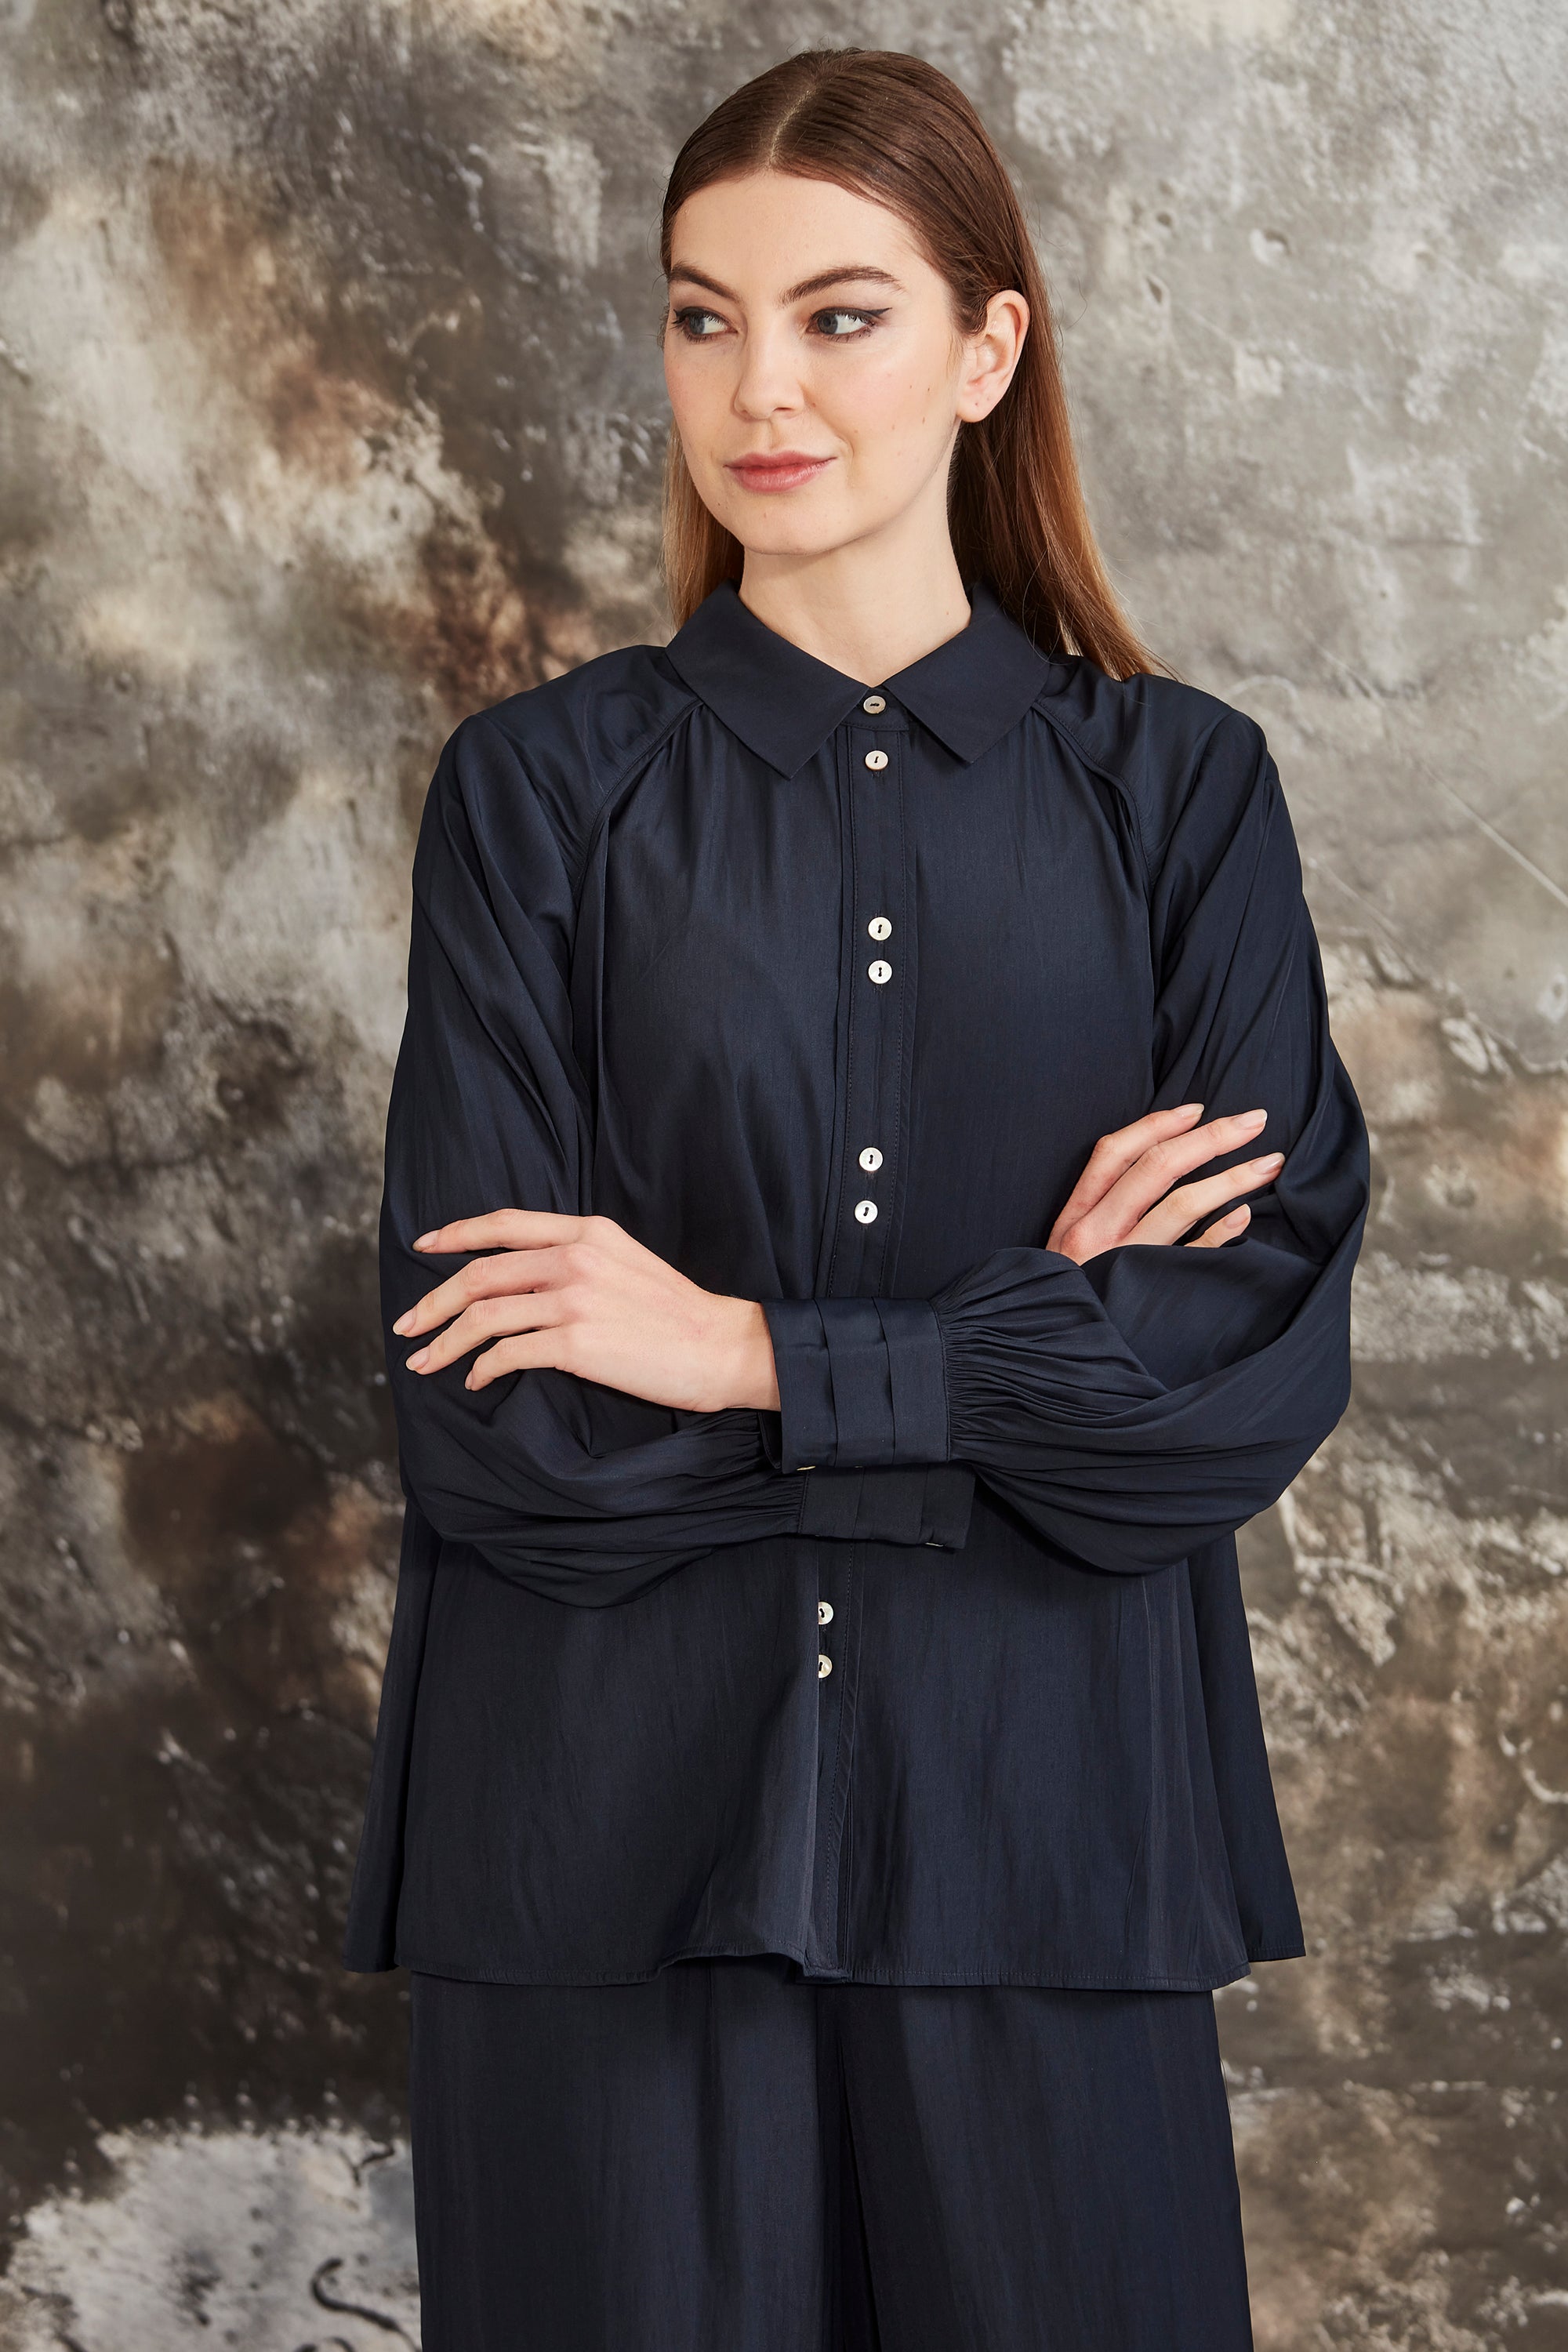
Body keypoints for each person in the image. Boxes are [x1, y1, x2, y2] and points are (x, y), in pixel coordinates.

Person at [341, 44, 1368, 2352]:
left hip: (1050, 1842)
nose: (760, 390)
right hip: (600, 1861)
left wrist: (734, 1353)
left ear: (989, 349)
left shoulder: (1184, 797)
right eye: (703, 319)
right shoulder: (534, 798)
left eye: (838, 316)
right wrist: (1019, 1371)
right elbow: (507, 1435)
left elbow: (1224, 1393)